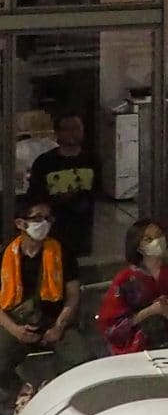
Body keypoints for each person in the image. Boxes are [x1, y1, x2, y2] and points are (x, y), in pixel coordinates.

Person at [0, 197, 73, 400]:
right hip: (16, 321)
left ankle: (56, 395)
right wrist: (14, 329)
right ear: (20, 224)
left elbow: (73, 297)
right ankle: (23, 393)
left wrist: (58, 327)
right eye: (38, 218)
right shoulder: (5, 254)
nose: (45, 223)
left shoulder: (62, 252)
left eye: (48, 218)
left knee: (81, 359)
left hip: (53, 320)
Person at [98, 219, 168, 352]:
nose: (157, 241)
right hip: (137, 350)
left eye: (159, 235)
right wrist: (150, 311)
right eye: (149, 239)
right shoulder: (125, 279)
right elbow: (111, 328)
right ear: (138, 246)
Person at [24, 115, 97, 281]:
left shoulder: (91, 159)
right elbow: (35, 194)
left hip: (82, 226)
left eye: (77, 128)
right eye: (67, 128)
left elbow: (96, 189)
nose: (73, 133)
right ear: (58, 133)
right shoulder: (45, 162)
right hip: (53, 226)